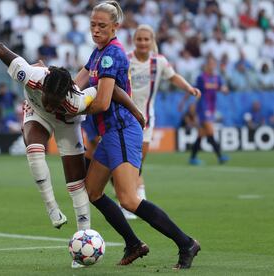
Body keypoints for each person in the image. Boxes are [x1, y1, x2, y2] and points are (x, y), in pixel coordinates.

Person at [0, 23, 145, 246]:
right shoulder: (30, 75)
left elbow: (112, 92)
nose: (52, 106)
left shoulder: (77, 101)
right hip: (36, 113)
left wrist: (135, 111)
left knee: (76, 184)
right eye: (50, 102)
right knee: (34, 149)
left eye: (56, 104)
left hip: (67, 124)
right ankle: (52, 207)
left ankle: (84, 239)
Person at [73, 1, 200, 269]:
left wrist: (71, 110)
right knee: (92, 191)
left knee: (129, 199)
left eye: (102, 26)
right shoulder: (97, 53)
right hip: (111, 133)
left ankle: (185, 242)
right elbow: (78, 82)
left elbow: (104, 102)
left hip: (121, 130)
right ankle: (133, 244)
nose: (95, 30)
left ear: (115, 27)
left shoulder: (112, 55)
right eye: (93, 25)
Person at [125, 24, 201, 207]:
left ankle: (135, 197)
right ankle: (131, 200)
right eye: (139, 39)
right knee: (127, 162)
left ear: (152, 42)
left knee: (138, 162)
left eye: (146, 39)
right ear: (134, 41)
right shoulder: (126, 60)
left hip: (146, 119)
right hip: (125, 118)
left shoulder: (158, 62)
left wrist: (188, 88)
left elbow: (173, 76)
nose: (143, 43)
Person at [180, 54, 229, 165]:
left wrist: (225, 89)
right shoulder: (201, 78)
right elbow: (192, 90)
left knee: (201, 134)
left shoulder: (217, 78)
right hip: (202, 108)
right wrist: (183, 102)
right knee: (210, 131)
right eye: (210, 63)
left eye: (213, 64)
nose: (212, 66)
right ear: (206, 65)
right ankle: (220, 156)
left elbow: (223, 88)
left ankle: (192, 158)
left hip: (212, 108)